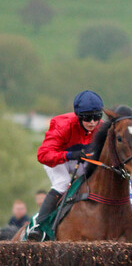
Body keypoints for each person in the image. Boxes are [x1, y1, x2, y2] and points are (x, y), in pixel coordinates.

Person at [28, 90, 104, 240]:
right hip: (56, 160)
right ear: (78, 116)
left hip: (81, 160)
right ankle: (39, 226)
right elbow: (43, 155)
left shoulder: (101, 127)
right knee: (63, 183)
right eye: (88, 118)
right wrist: (68, 155)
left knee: (91, 183)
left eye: (97, 117)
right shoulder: (63, 125)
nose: (93, 123)